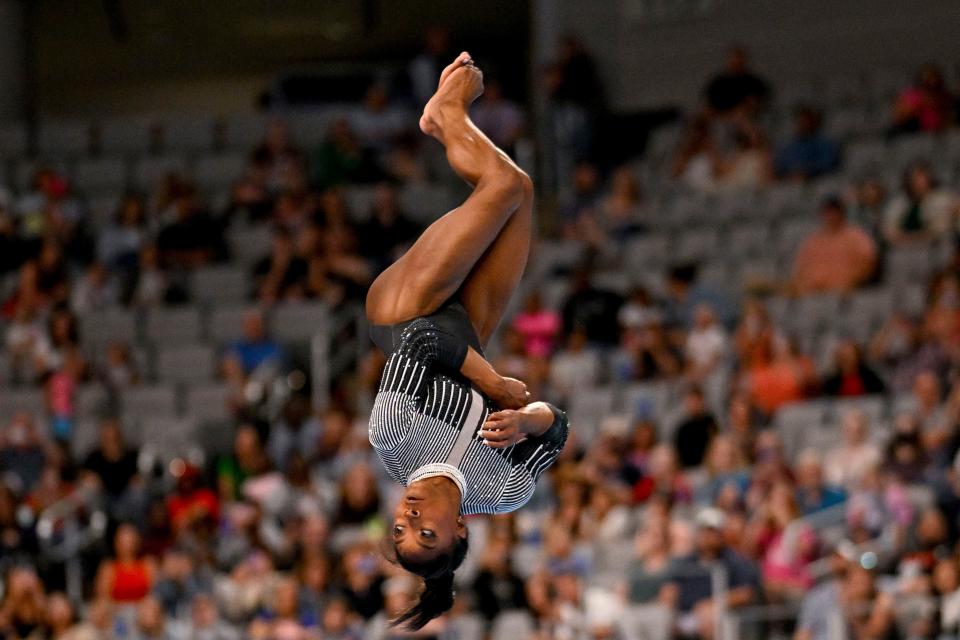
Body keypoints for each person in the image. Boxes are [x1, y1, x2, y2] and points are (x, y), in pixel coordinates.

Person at [365, 53, 569, 631]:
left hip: (403, 310)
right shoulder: (502, 490)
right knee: (522, 191)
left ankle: (443, 113)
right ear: (460, 531)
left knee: (500, 183)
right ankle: (444, 117)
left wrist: (497, 385)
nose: (407, 518)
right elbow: (558, 428)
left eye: (399, 529)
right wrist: (530, 422)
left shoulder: (392, 440)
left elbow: (424, 340)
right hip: (470, 327)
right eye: (424, 532)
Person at [790, 197, 877, 295]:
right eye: (827, 213)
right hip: (813, 295)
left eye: (834, 213)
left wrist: (852, 283)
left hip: (845, 293)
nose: (830, 217)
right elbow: (800, 269)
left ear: (841, 214)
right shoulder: (813, 241)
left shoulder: (856, 236)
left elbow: (868, 262)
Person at [775, 106, 841, 181]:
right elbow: (781, 165)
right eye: (800, 122)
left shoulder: (825, 143)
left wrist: (808, 172)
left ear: (813, 122)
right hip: (793, 181)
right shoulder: (789, 145)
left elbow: (829, 163)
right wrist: (793, 173)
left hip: (819, 180)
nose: (803, 125)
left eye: (806, 121)